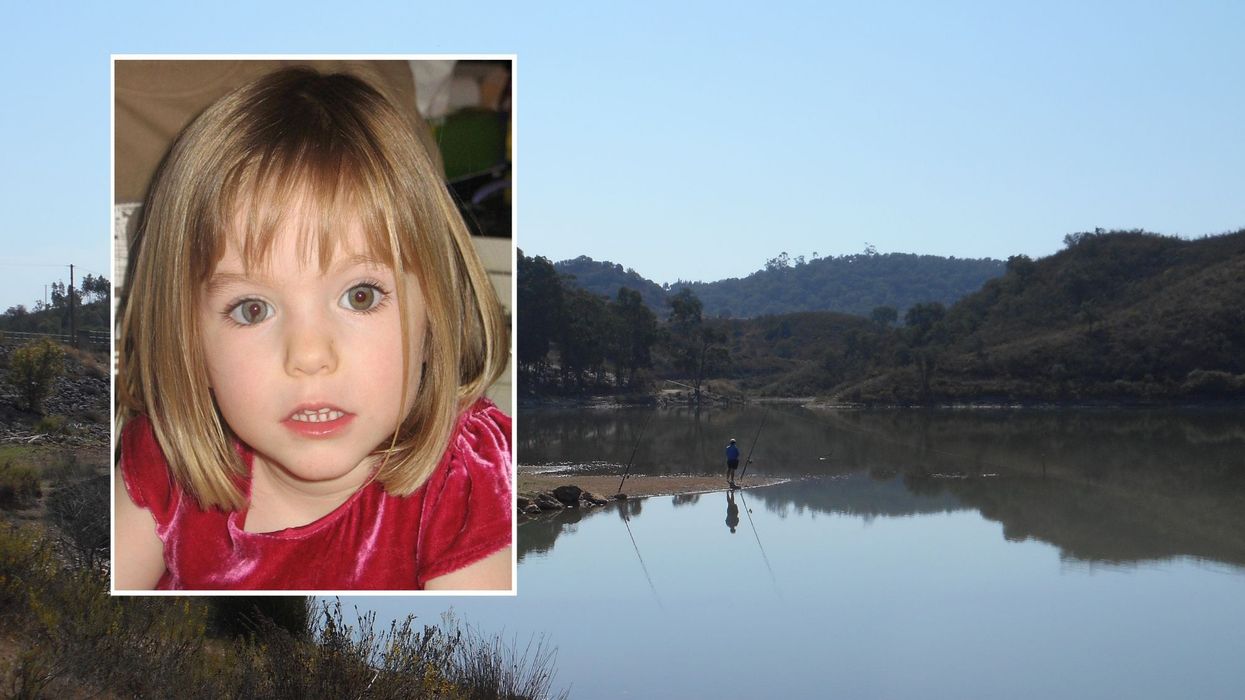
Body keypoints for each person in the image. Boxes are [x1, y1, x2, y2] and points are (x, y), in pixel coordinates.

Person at [113, 67, 512, 591]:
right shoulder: (168, 454)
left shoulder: (471, 483)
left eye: (360, 296)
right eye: (252, 309)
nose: (309, 355)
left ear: (436, 310)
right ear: (186, 340)